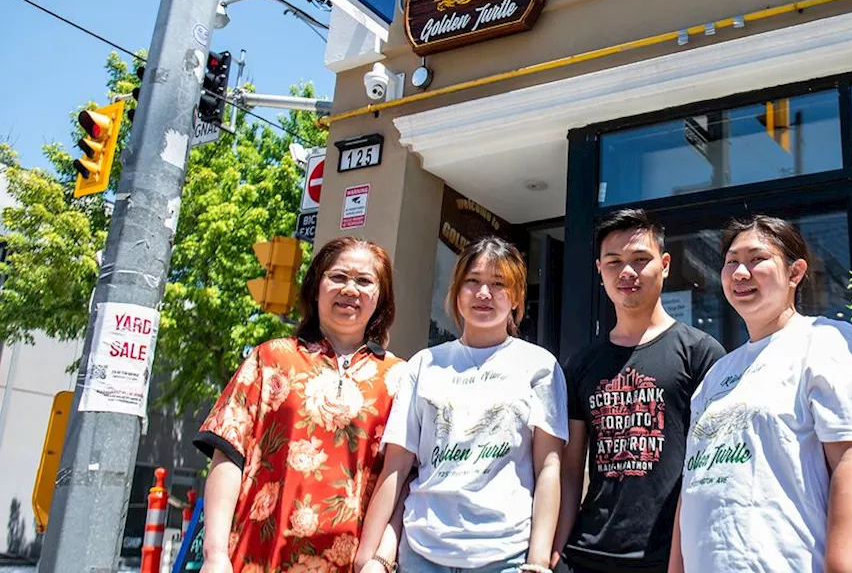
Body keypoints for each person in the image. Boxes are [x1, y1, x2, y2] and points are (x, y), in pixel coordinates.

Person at [671, 215, 852, 573]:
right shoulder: (716, 374)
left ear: (795, 272)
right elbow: (691, 484)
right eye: (731, 262)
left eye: (756, 259)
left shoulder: (827, 341)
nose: (740, 273)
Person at [357, 236, 568, 573]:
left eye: (498, 284)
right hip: (421, 551)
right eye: (473, 282)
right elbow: (397, 466)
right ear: (456, 292)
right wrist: (367, 557)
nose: (484, 293)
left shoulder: (539, 366)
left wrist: (538, 561)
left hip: (505, 555)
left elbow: (549, 467)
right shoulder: (423, 365)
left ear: (515, 297)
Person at [195, 236, 404, 573]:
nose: (350, 289)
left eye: (365, 281)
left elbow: (402, 479)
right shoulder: (271, 357)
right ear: (316, 286)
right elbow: (228, 454)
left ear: (380, 298)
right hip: (256, 557)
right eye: (338, 277)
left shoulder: (399, 378)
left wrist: (381, 559)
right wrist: (215, 554)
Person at [553, 209, 725, 573]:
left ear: (664, 265)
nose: (627, 272)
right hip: (587, 554)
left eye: (640, 259)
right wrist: (557, 550)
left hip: (668, 556)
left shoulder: (700, 354)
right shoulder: (582, 364)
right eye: (614, 262)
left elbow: (710, 469)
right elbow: (570, 472)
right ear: (600, 270)